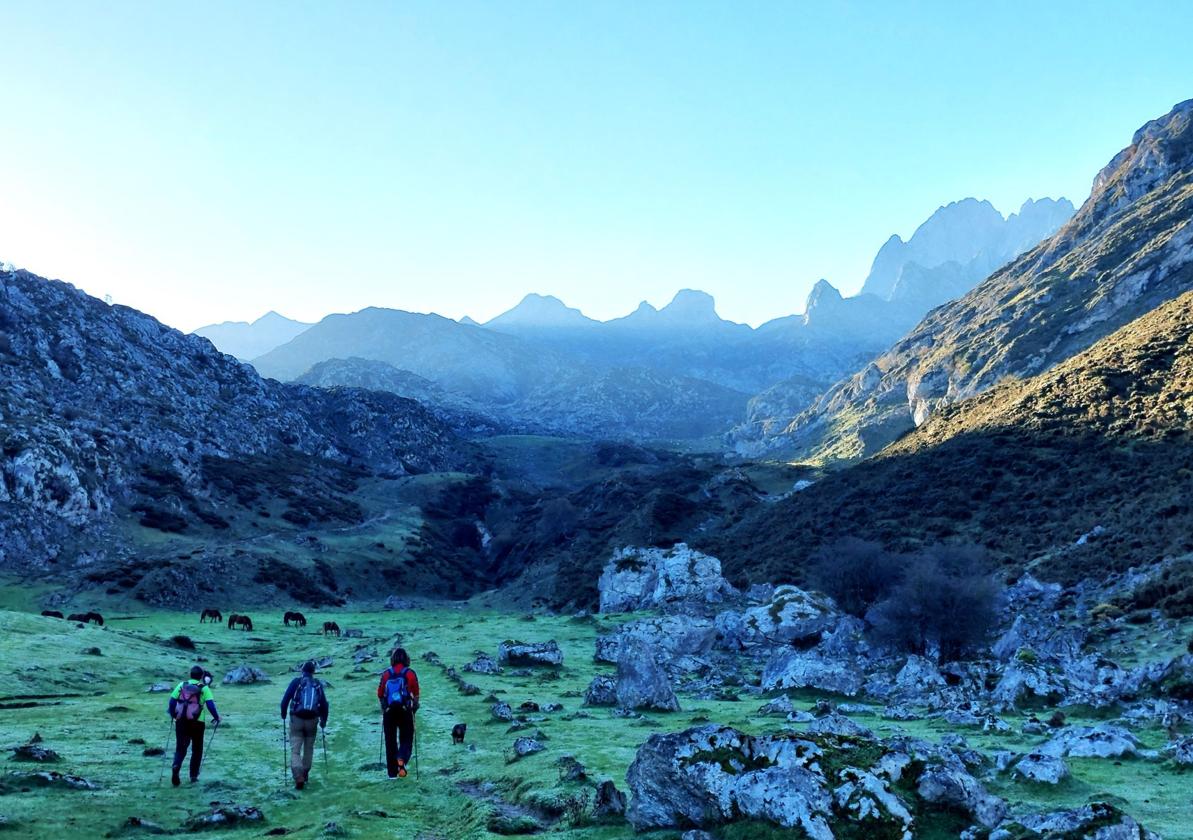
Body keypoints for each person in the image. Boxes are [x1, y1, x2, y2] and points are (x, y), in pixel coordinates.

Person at [167, 665, 222, 787]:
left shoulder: (182, 685)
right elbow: (210, 705)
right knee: (197, 749)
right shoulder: (204, 688)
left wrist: (173, 715)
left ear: (190, 674)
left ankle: (176, 765)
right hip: (198, 722)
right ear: (201, 676)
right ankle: (193, 776)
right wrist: (217, 717)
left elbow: (171, 701)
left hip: (181, 721)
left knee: (180, 748)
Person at [280, 660, 329, 790]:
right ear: (313, 672)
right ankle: (305, 773)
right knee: (309, 749)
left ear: (302, 670)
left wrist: (284, 714)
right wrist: (324, 721)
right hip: (312, 720)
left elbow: (285, 700)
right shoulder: (317, 684)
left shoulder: (296, 682)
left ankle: (298, 776)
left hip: (296, 720)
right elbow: (324, 704)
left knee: (295, 750)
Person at [377, 648, 419, 778]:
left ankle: (392, 774)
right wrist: (415, 707)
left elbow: (380, 693)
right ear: (406, 658)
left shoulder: (386, 674)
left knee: (390, 742)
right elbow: (416, 694)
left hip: (389, 712)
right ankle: (401, 758)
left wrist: (384, 707)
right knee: (406, 737)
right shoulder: (410, 673)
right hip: (404, 710)